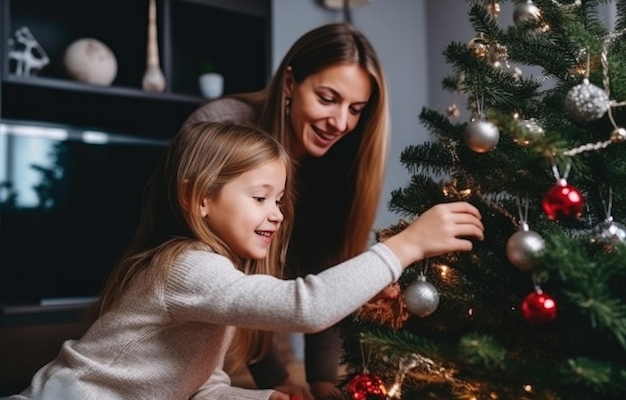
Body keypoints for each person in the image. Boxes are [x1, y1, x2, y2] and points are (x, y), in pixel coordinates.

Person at [8, 121, 484, 400]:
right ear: (198, 199)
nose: (276, 214)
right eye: (260, 197)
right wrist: (406, 247)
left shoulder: (213, 272)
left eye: (279, 200)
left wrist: (257, 398)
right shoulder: (187, 267)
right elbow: (305, 307)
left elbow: (200, 387)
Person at [185, 22, 391, 397]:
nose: (341, 122)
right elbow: (223, 281)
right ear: (291, 82)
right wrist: (273, 377)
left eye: (356, 109)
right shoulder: (219, 128)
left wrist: (323, 380)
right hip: (189, 341)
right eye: (327, 98)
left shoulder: (343, 163)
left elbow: (332, 270)